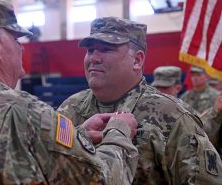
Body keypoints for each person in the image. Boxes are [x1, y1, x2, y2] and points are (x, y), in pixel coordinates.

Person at [0, 0, 139, 184]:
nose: (22, 47)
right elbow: (102, 179)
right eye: (15, 38)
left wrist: (78, 136)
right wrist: (119, 132)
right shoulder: (23, 112)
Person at [57, 17, 222, 184]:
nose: (93, 58)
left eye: (106, 49)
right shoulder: (69, 108)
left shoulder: (172, 116)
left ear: (137, 60)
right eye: (90, 50)